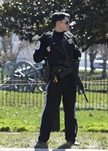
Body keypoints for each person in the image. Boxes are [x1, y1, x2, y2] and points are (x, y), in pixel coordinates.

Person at [33, 12, 81, 148]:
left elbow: (77, 57)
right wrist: (47, 50)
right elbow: (37, 57)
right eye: (66, 22)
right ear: (58, 23)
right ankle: (42, 139)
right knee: (50, 109)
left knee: (70, 110)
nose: (69, 24)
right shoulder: (46, 38)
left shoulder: (71, 37)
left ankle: (71, 138)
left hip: (70, 79)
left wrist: (77, 58)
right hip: (56, 79)